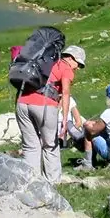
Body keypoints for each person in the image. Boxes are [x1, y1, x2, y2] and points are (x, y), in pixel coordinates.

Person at [15, 43, 84, 182]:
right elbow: (65, 92)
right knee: (50, 144)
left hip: (22, 103)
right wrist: (64, 120)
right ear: (71, 58)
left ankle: (32, 182)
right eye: (79, 64)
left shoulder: (44, 61)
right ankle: (53, 182)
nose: (78, 68)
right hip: (43, 105)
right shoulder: (65, 67)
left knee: (30, 146)